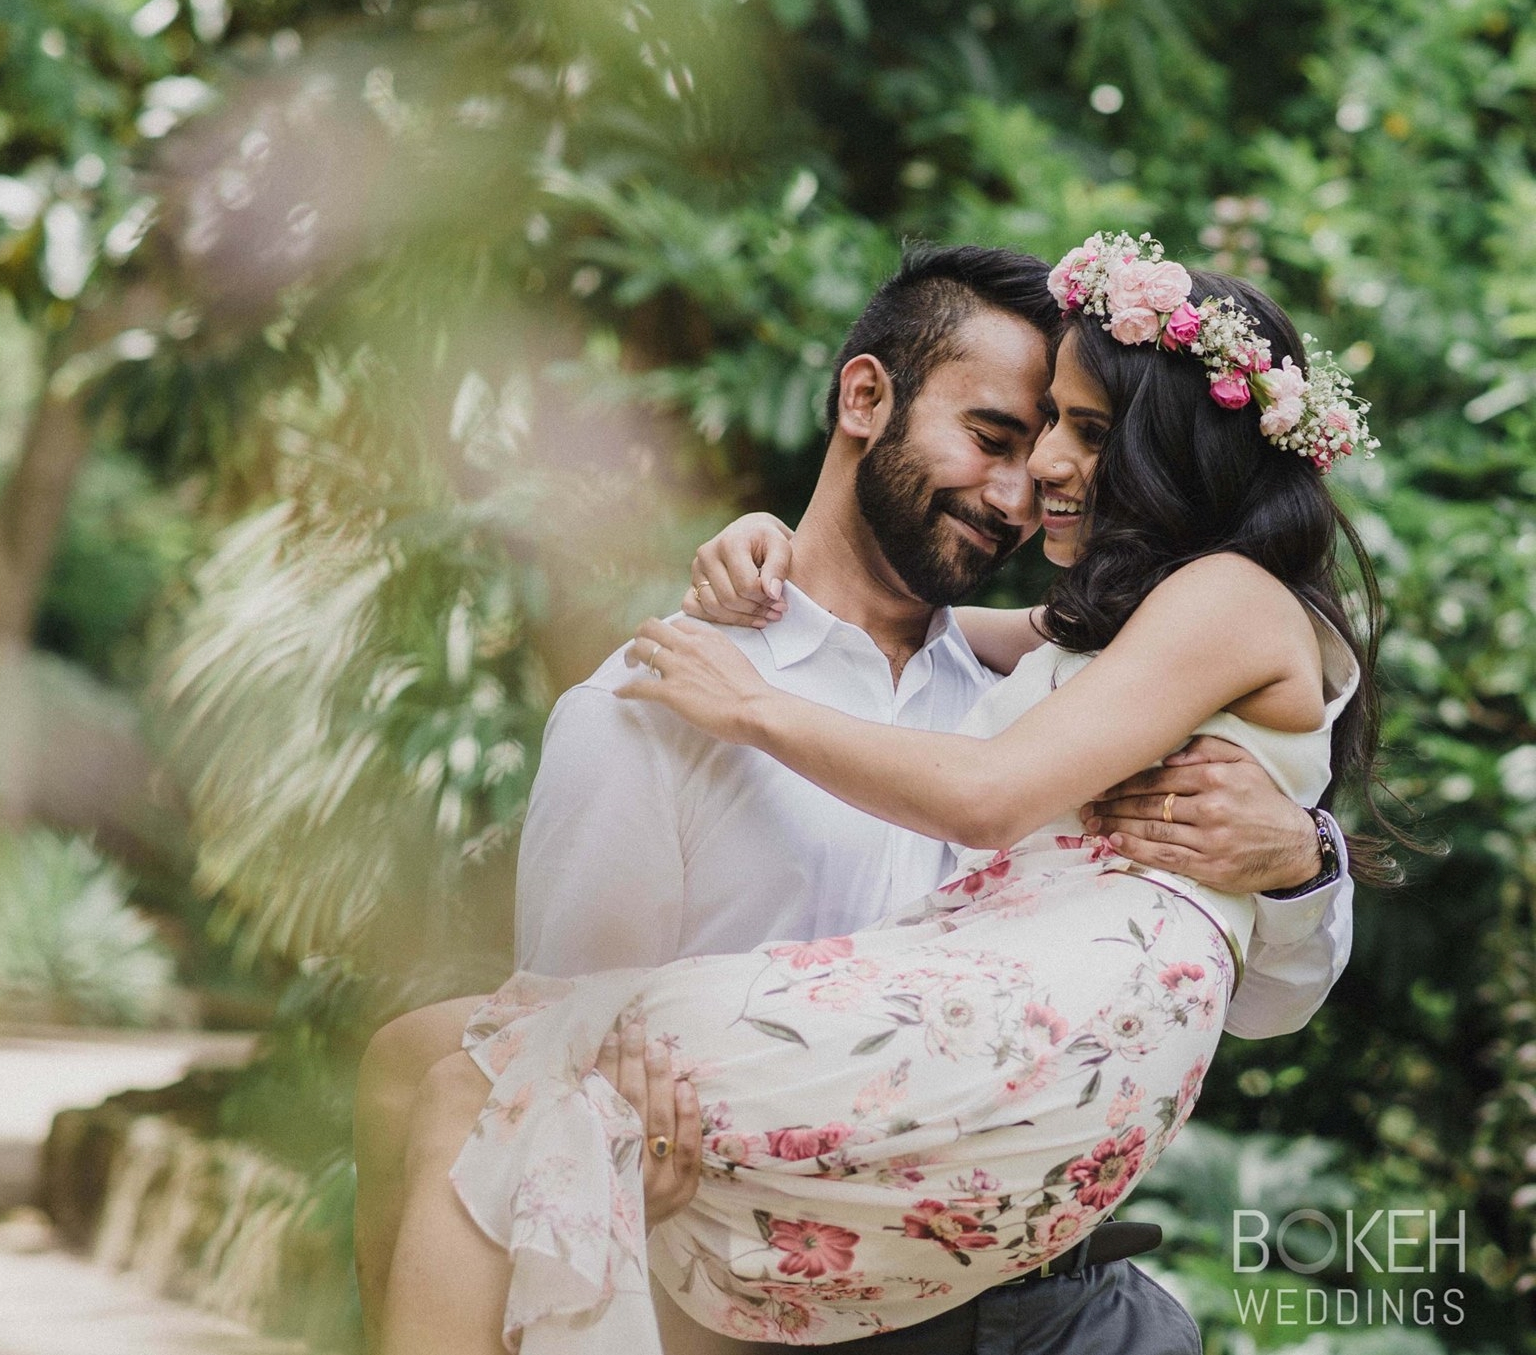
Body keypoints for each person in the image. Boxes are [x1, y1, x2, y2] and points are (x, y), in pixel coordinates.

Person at [370, 233, 1390, 1355]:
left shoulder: (1065, 678)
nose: (1026, 483)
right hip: (780, 1275)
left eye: (1071, 433)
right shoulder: (661, 702)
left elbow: (1264, 995)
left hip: (1060, 1301)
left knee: (465, 1078)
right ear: (865, 396)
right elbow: (592, 1016)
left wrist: (1301, 856)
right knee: (441, 1068)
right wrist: (762, 571)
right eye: (1003, 433)